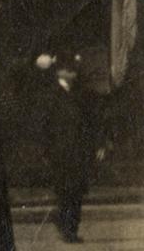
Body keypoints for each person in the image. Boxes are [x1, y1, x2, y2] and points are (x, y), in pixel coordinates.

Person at [45, 57, 100, 244]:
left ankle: (72, 229)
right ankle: (66, 228)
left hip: (77, 151)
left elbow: (88, 122)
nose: (73, 74)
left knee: (76, 193)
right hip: (60, 152)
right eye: (69, 70)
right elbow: (46, 125)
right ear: (60, 72)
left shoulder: (78, 94)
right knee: (65, 193)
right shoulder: (53, 95)